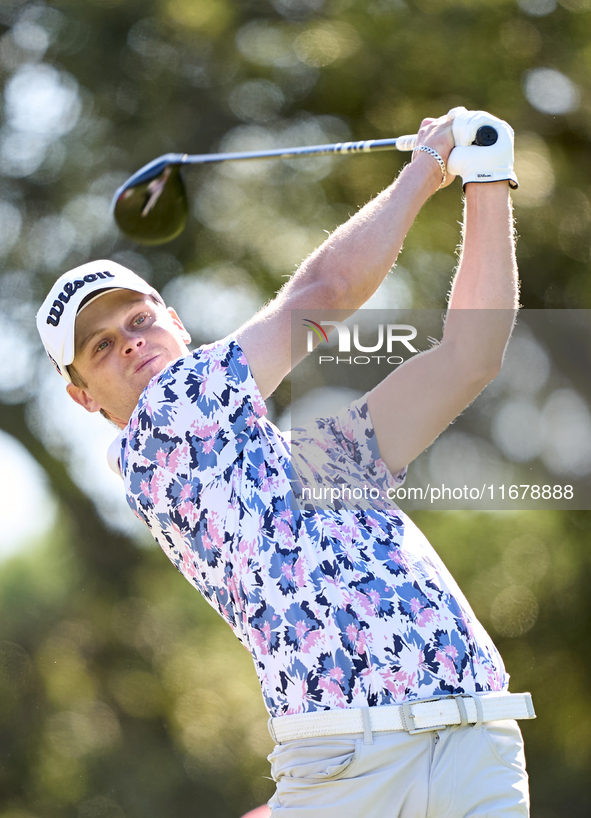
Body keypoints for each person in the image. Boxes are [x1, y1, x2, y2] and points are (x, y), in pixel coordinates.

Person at [37, 108, 535, 817]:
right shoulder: (161, 435)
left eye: (140, 319)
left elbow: (468, 358)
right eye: (99, 346)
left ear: (176, 322)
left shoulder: (318, 463)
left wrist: (486, 174)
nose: (129, 343)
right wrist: (428, 166)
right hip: (346, 760)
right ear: (83, 397)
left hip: (474, 736)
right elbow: (321, 296)